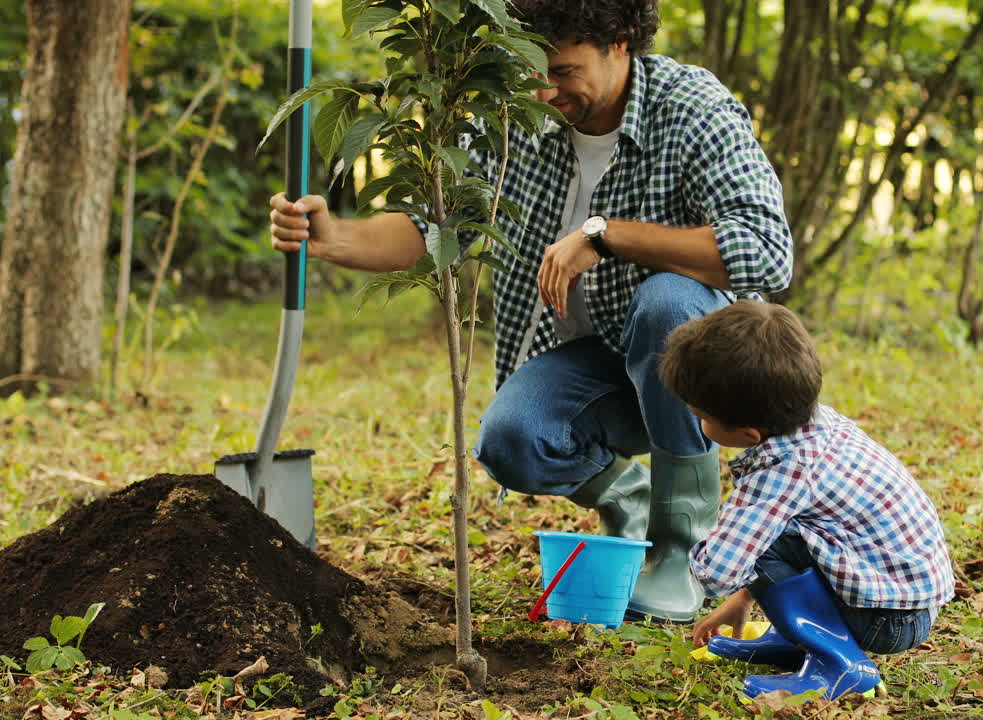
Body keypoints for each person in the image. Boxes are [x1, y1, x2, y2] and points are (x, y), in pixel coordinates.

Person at [268, 0, 792, 623]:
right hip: (593, 364)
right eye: (531, 71)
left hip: (691, 374)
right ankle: (634, 508)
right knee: (512, 441)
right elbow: (438, 227)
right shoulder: (512, 118)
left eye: (565, 70)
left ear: (622, 42)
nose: (544, 90)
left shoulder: (691, 108)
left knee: (667, 302)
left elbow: (764, 251)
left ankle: (681, 548)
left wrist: (605, 236)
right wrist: (335, 240)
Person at [658, 301, 955, 700]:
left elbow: (717, 571)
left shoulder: (782, 471)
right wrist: (744, 598)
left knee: (753, 541)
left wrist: (704, 564)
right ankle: (798, 639)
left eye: (699, 414)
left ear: (748, 434)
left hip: (887, 620)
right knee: (773, 535)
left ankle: (839, 664)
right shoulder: (812, 422)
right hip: (904, 602)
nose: (697, 421)